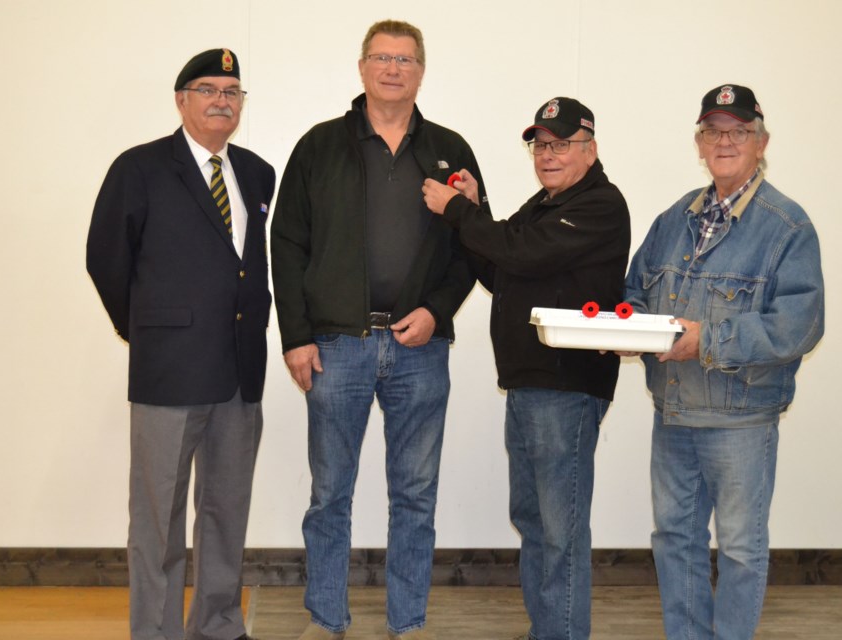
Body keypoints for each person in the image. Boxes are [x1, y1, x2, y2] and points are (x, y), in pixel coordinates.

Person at [270, 19, 487, 640]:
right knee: (329, 497)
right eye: (382, 58)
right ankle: (325, 619)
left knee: (415, 498)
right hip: (337, 346)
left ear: (421, 71)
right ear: (362, 67)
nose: (393, 69)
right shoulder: (319, 146)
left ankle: (408, 623)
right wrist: (296, 336)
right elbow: (286, 245)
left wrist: (439, 310)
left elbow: (476, 243)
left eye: (406, 59)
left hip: (420, 350)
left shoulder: (450, 151)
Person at [422, 97, 631, 640]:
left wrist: (458, 210)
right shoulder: (544, 204)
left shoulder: (599, 204)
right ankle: (549, 629)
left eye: (561, 144)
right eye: (541, 145)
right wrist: (471, 209)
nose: (548, 154)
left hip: (565, 387)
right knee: (535, 520)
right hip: (529, 385)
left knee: (559, 528)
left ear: (590, 148)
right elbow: (503, 267)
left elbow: (524, 253)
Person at [622, 84, 825, 639]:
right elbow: (635, 290)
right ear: (699, 143)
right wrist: (628, 328)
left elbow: (798, 325)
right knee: (675, 541)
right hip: (675, 414)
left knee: (739, 548)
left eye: (738, 132)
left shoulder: (787, 226)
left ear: (762, 142)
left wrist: (707, 339)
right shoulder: (673, 220)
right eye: (714, 132)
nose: (725, 141)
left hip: (742, 421)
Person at [87, 48, 274, 640]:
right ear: (181, 100)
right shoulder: (138, 168)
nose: (222, 100)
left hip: (240, 374)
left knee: (225, 512)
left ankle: (218, 625)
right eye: (208, 89)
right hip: (168, 374)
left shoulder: (257, 171)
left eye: (232, 91)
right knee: (158, 520)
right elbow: (106, 260)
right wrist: (144, 327)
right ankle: (158, 632)